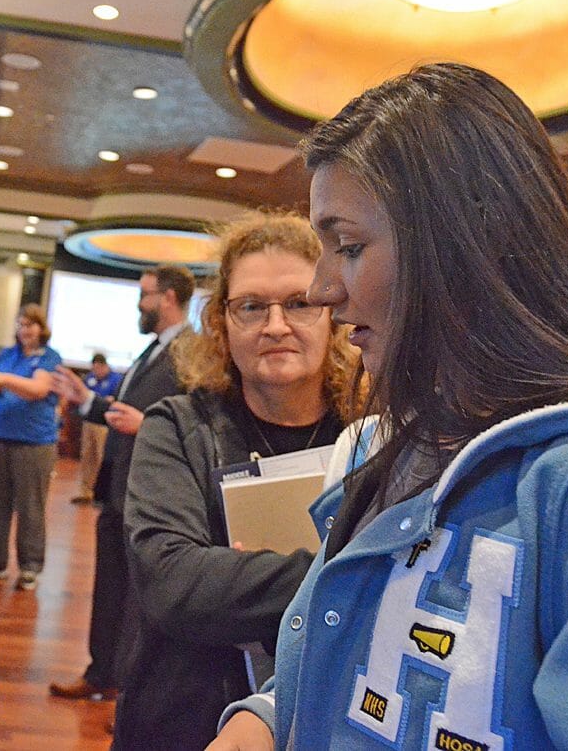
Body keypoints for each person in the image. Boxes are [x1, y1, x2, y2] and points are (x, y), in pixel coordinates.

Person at [212, 63, 568, 750]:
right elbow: (357, 651)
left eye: (349, 246)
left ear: (468, 240)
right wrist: (264, 719)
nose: (322, 288)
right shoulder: (393, 444)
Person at [116, 212, 361, 749]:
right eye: (251, 306)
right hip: (186, 714)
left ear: (334, 315)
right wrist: (349, 575)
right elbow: (173, 586)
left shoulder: (372, 435)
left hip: (330, 717)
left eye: (299, 303)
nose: (275, 325)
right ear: (222, 322)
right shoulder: (177, 426)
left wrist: (234, 575)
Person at [49, 265, 196, 707]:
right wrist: (87, 401)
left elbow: (195, 423)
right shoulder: (153, 350)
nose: (139, 304)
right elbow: (126, 413)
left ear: (168, 298)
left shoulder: (193, 353)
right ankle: (102, 675)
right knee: (110, 589)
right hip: (118, 490)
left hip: (151, 495)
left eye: (145, 295)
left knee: (136, 600)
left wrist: (146, 424)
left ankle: (131, 696)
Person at [0, 304, 63, 591]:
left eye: (30, 324)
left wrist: (2, 380)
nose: (25, 330)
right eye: (21, 324)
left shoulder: (50, 358)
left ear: (41, 328)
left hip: (34, 443)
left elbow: (38, 389)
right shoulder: (7, 355)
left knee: (30, 507)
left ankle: (29, 567)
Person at [73, 352, 123, 504]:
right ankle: (86, 491)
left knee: (101, 456)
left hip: (105, 423)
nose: (96, 371)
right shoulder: (90, 378)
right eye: (93, 368)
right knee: (87, 456)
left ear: (104, 366)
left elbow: (115, 399)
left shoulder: (116, 379)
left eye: (98, 368)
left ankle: (100, 492)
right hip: (89, 422)